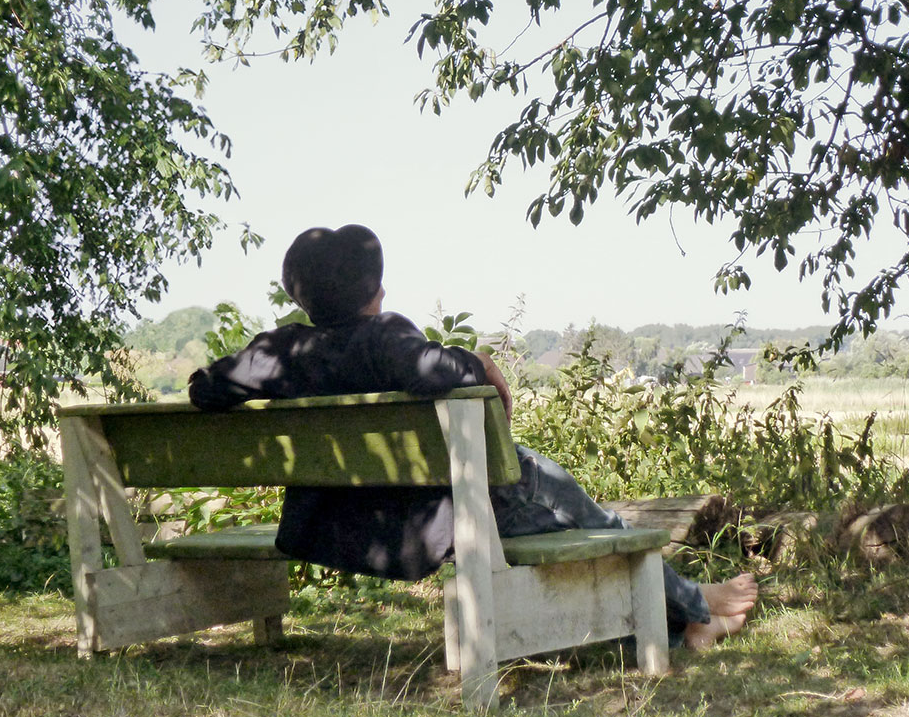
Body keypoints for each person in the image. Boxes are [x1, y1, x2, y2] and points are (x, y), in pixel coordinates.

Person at [189, 225, 757, 648]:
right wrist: (480, 360)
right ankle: (696, 608)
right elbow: (433, 371)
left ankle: (684, 621)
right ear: (376, 289)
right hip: (459, 500)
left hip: (369, 517)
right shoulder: (383, 337)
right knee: (593, 521)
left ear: (302, 296)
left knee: (579, 530)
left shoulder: (281, 352)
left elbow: (205, 389)